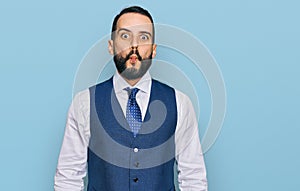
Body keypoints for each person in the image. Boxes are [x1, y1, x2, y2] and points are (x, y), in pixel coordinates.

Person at [54, 6, 207, 191]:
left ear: (153, 49)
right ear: (111, 46)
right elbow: (68, 178)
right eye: (125, 36)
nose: (134, 46)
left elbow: (194, 178)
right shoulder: (84, 103)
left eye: (143, 37)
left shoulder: (180, 103)